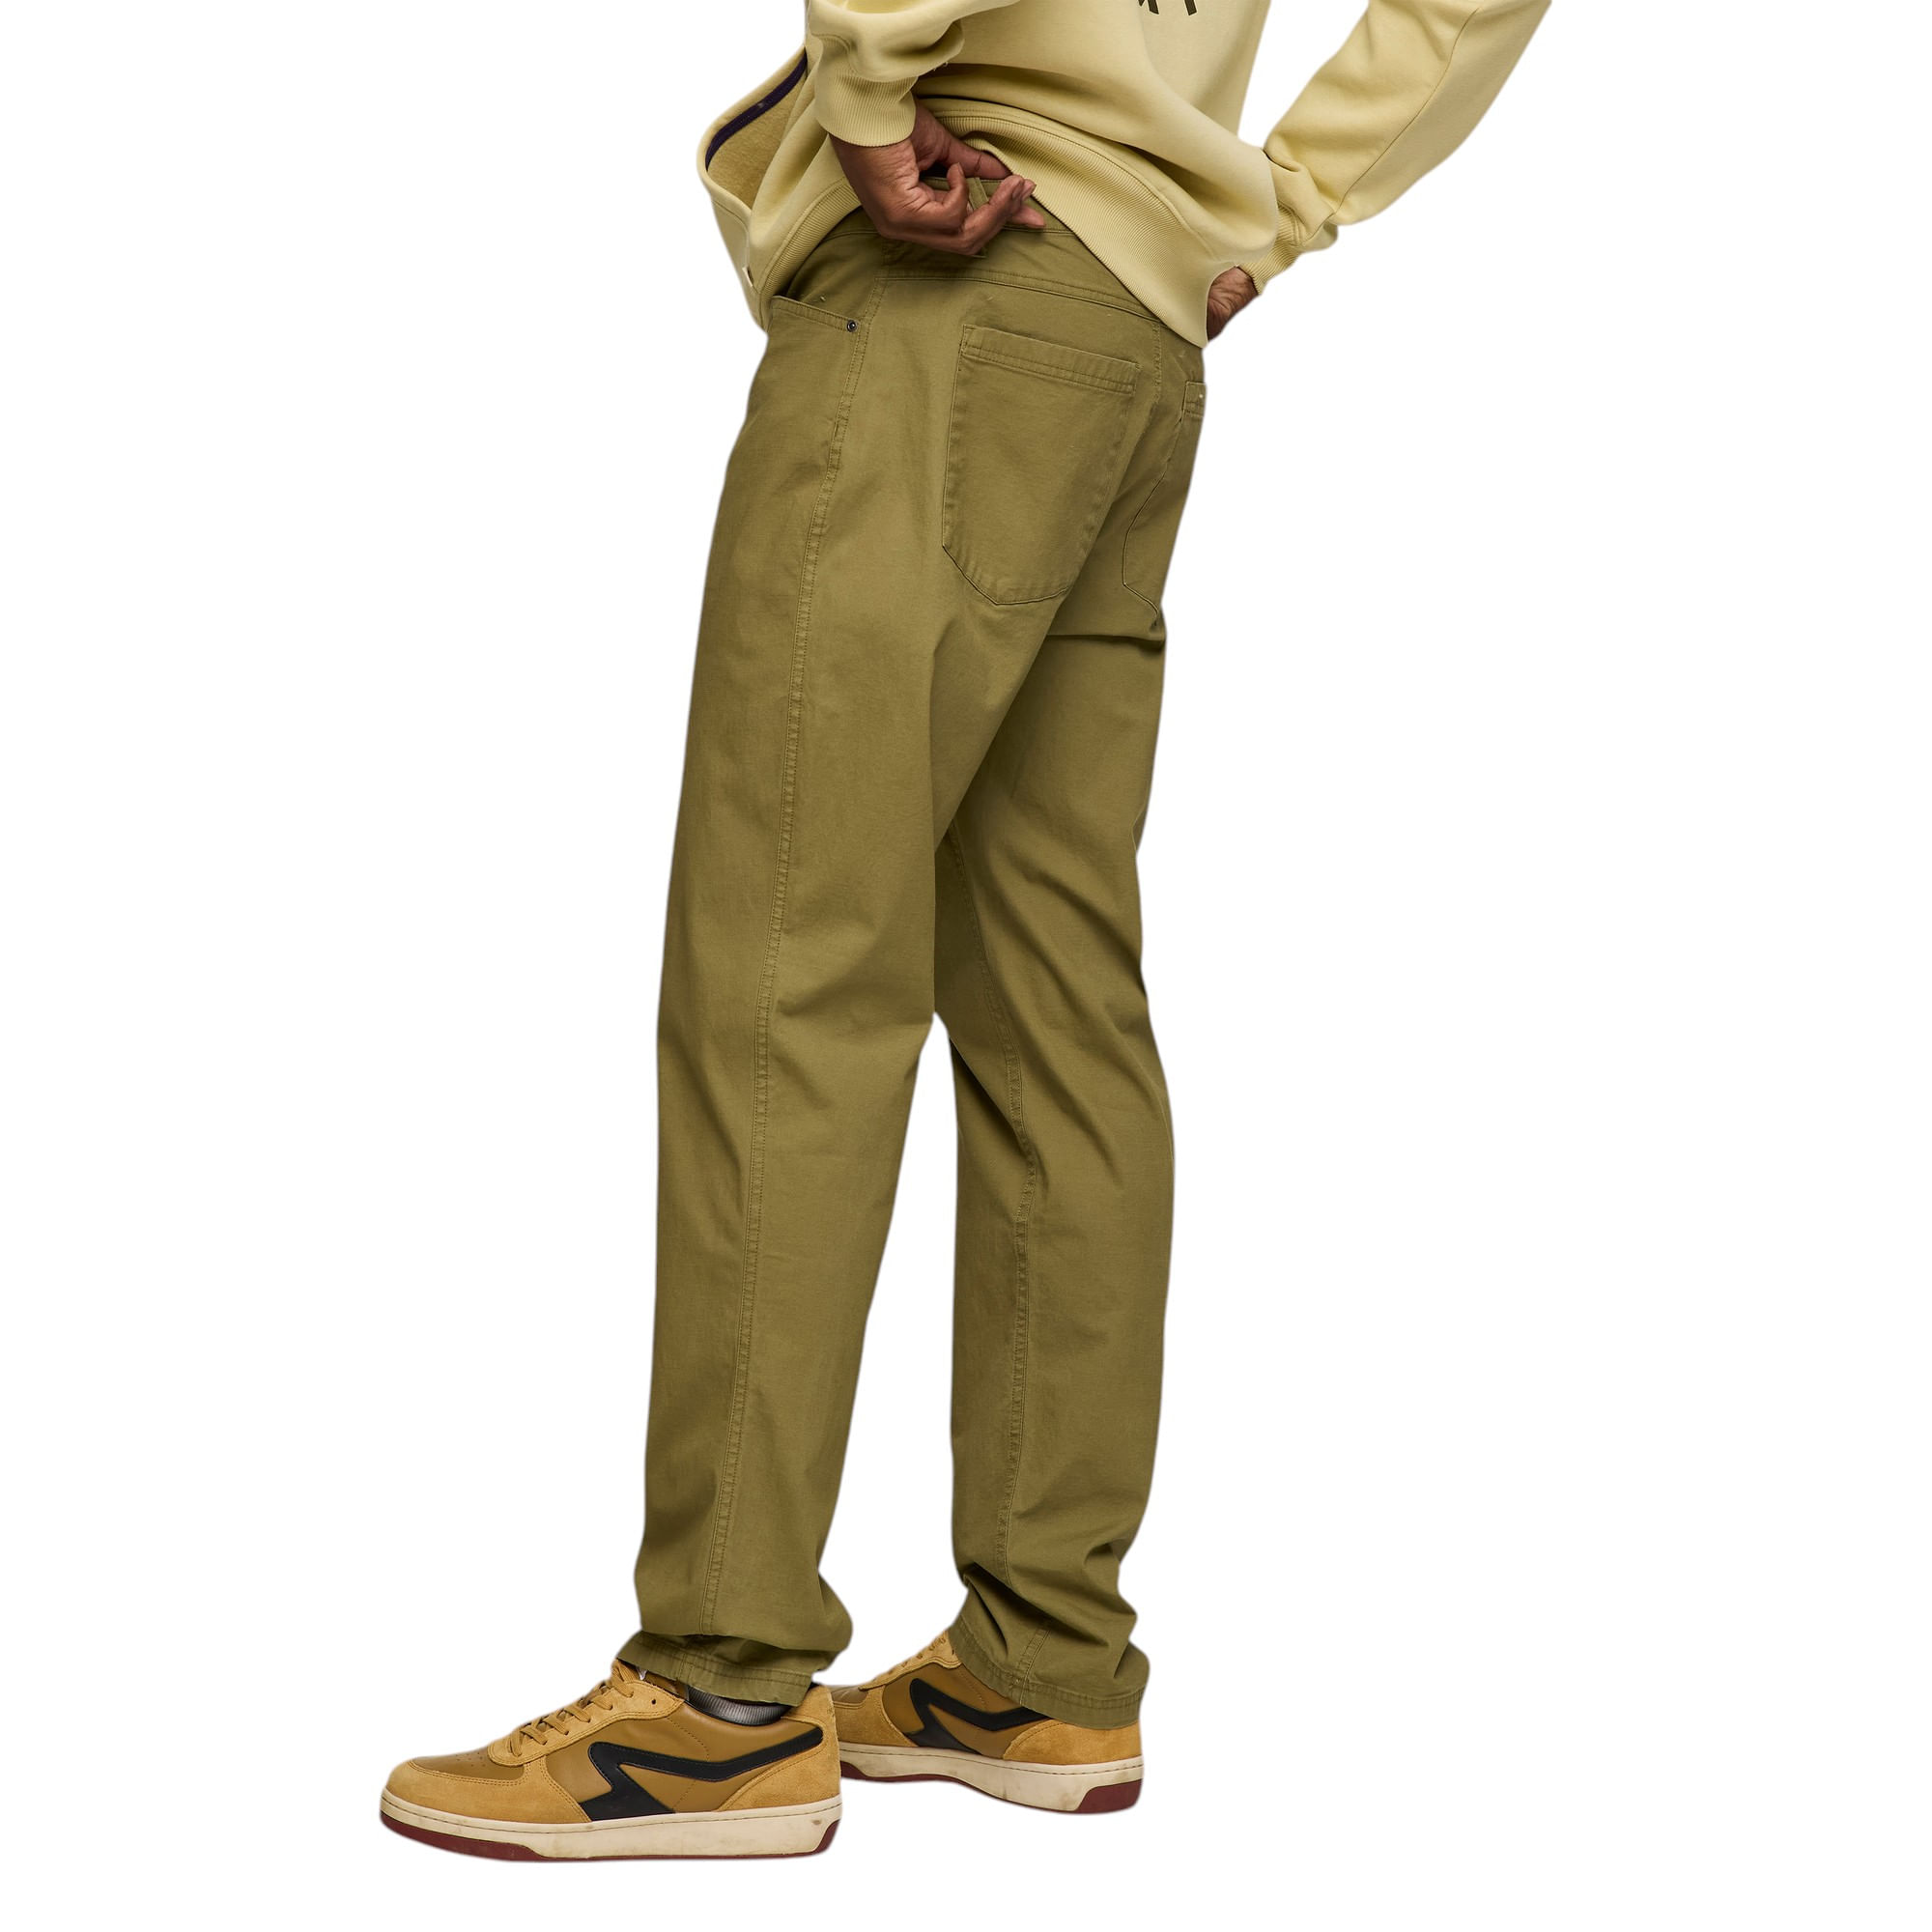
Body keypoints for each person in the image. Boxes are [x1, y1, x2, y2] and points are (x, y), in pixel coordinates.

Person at [381, 0, 1549, 1861]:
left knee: (789, 969)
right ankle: (1043, 1662)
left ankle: (719, 1699)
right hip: (1137, 324)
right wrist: (1284, 200)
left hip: (961, 268)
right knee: (1056, 1000)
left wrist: (866, 85)